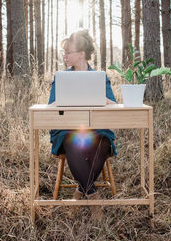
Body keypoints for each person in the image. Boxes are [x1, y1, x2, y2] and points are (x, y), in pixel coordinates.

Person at [48, 29, 117, 219]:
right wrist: (58, 102)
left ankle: (81, 190)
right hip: (68, 130)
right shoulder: (61, 77)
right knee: (72, 140)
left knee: (104, 141)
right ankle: (93, 197)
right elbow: (51, 106)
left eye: (68, 52)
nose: (65, 56)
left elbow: (113, 104)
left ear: (81, 54)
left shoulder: (100, 77)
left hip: (96, 129)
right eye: (65, 53)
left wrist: (105, 100)